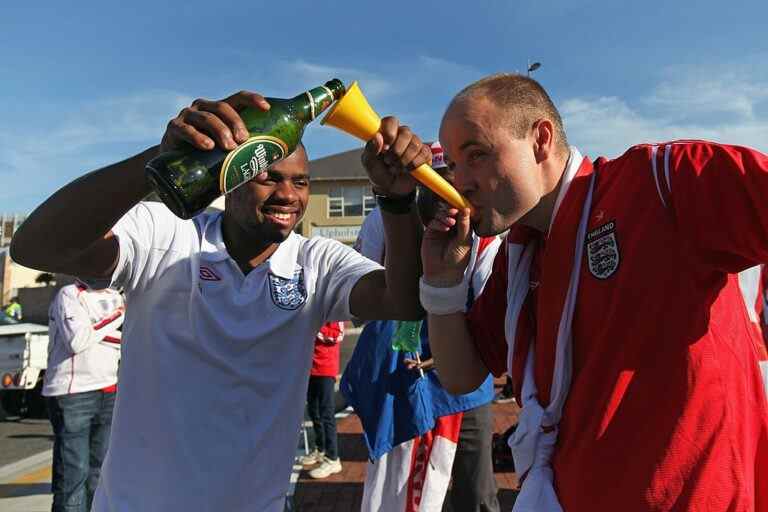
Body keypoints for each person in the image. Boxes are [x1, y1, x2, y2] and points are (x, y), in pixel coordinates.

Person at [10, 89, 429, 512]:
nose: (288, 194)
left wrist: (396, 201)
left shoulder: (314, 260)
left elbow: (404, 301)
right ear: (230, 178)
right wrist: (155, 160)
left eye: (300, 182)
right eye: (269, 177)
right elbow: (36, 248)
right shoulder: (167, 232)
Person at [419, 73, 768, 511]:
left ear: (540, 140)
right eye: (452, 163)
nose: (459, 181)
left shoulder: (661, 181)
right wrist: (442, 282)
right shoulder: (519, 254)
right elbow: (462, 375)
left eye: (476, 155)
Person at [344, 142, 501, 512]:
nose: (447, 191)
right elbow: (363, 291)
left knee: (475, 486)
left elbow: (489, 312)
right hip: (400, 367)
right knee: (401, 485)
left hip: (464, 380)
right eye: (436, 180)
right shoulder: (383, 218)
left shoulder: (482, 225)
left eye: (455, 179)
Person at [44, 280, 123, 512]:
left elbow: (129, 337)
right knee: (72, 478)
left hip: (109, 390)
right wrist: (121, 314)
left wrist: (96, 330)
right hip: (73, 394)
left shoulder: (116, 296)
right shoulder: (69, 294)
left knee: (100, 476)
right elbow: (77, 341)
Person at [300, 321, 344, 479]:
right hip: (310, 367)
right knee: (313, 410)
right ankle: (321, 449)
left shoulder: (331, 308)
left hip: (326, 368)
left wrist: (315, 331)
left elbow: (338, 334)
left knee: (327, 413)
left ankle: (333, 458)